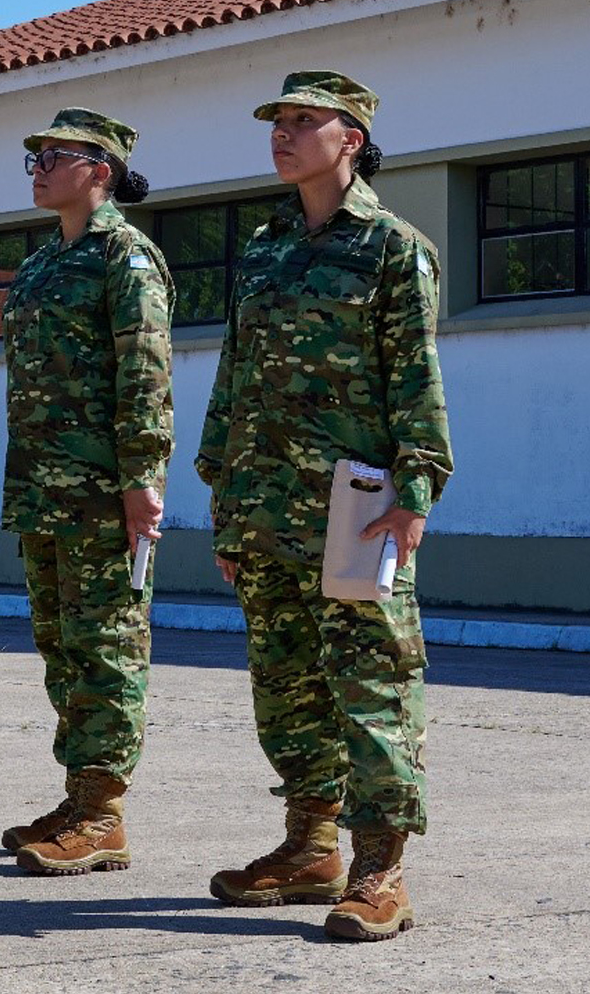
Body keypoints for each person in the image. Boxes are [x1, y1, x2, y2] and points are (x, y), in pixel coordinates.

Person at [201, 71, 453, 942]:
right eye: (278, 120)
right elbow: (233, 376)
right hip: (263, 506)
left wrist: (416, 492)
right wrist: (224, 493)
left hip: (356, 509)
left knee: (373, 685)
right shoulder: (264, 247)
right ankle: (310, 847)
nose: (283, 134)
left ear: (351, 138)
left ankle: (382, 869)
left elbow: (416, 379)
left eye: (304, 121)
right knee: (287, 689)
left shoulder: (391, 247)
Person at [0, 108, 173, 875]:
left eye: (53, 156)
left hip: (104, 494)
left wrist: (142, 479)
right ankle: (79, 797)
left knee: (107, 649)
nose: (38, 169)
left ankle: (103, 814)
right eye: (33, 157)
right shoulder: (43, 263)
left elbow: (147, 375)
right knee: (62, 649)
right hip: (42, 490)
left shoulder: (125, 258)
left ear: (99, 171)